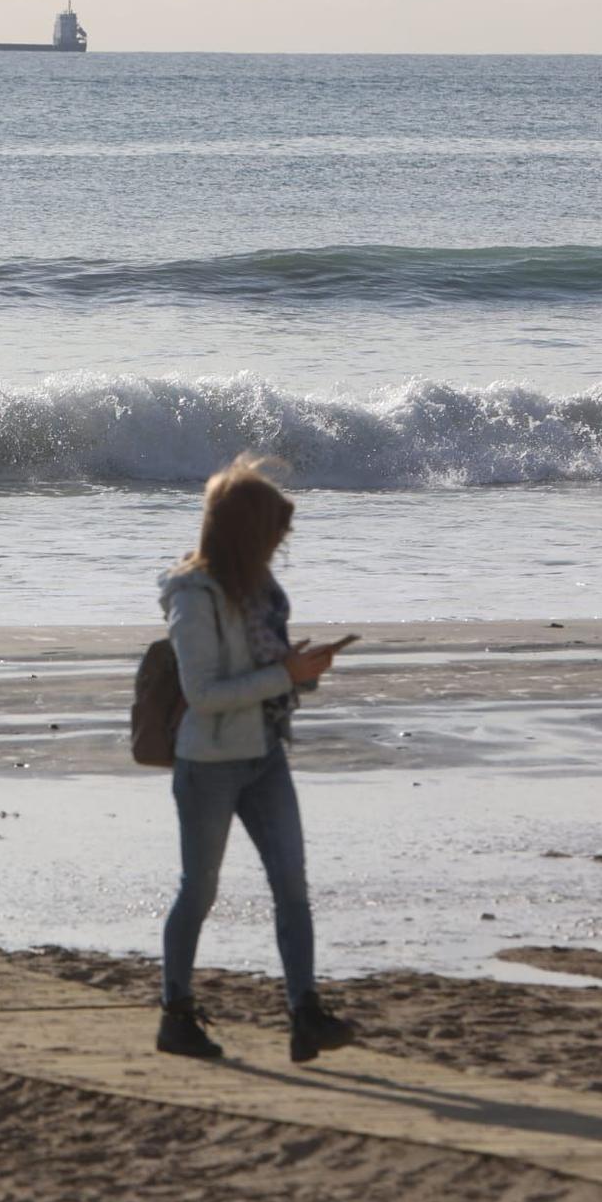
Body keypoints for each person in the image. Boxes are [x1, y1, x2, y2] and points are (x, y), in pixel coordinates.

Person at [155, 455, 356, 1064]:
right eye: (273, 534)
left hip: (265, 755)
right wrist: (283, 674)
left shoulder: (263, 590)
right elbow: (204, 695)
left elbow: (268, 677)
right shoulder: (194, 598)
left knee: (292, 887)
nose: (280, 546)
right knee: (200, 891)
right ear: (245, 532)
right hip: (210, 763)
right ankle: (176, 1014)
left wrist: (302, 672)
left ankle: (305, 1014)